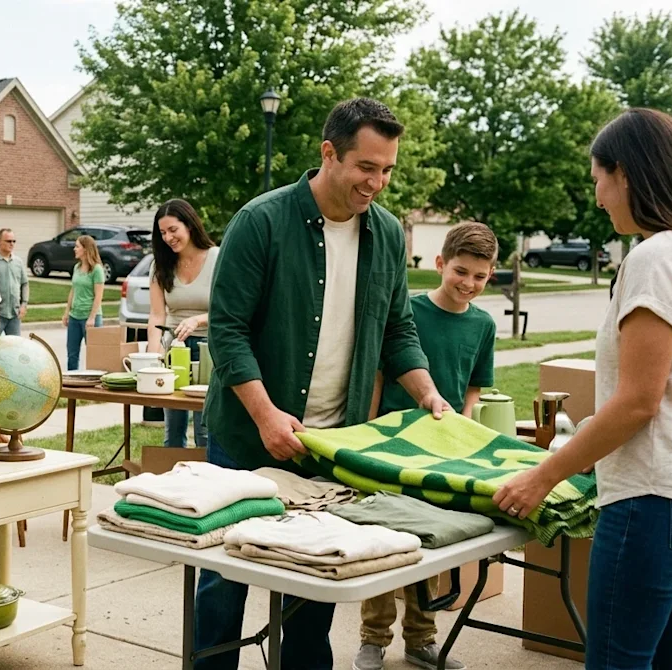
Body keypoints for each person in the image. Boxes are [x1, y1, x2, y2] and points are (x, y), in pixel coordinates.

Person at [198, 97, 450, 670]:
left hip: (331, 445)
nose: (378, 182)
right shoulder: (260, 221)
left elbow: (397, 329)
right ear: (328, 153)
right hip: (245, 438)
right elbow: (228, 331)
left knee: (314, 586)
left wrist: (427, 393)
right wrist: (265, 415)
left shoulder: (386, 234)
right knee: (223, 582)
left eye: (387, 169)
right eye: (367, 167)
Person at [494, 108, 672, 669]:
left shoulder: (653, 256)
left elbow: (638, 402)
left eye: (597, 179)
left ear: (624, 173)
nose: (597, 196)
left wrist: (542, 477)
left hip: (647, 502)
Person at [354, 221, 499, 670]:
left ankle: (421, 640)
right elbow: (379, 372)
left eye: (479, 275)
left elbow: (474, 388)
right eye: (460, 271)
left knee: (431, 545)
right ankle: (373, 639)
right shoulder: (410, 313)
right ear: (440, 263)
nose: (468, 283)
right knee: (384, 542)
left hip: (445, 451)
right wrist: (369, 427)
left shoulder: (484, 325)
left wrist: (467, 436)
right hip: (394, 447)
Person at [145, 199, 218, 447]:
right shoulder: (160, 265)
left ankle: (206, 481)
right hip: (174, 350)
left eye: (173, 230)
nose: (168, 238)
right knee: (173, 430)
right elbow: (157, 315)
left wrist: (198, 319)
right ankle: (172, 481)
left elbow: (229, 310)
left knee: (205, 430)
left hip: (210, 352)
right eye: (163, 233)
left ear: (189, 225)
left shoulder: (218, 258)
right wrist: (154, 355)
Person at [63, 235, 105, 370]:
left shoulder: (97, 270)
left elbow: (99, 296)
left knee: (94, 354)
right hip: (75, 316)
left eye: (77, 246)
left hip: (90, 317)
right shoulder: (77, 267)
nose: (74, 249)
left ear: (86, 249)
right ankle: (72, 383)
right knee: (72, 354)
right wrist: (67, 312)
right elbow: (73, 290)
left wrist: (92, 318)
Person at [0, 227, 30, 336]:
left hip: (14, 315)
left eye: (13, 241)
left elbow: (24, 284)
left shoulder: (18, 262)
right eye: (8, 241)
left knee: (14, 348)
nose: (11, 244)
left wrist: (24, 304)